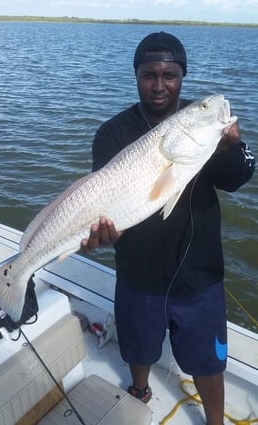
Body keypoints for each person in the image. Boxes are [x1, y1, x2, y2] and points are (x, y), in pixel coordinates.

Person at [80, 32, 255, 425]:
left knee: (208, 362)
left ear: (182, 76)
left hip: (199, 273)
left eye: (170, 75)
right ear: (136, 76)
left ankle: (214, 421)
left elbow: (238, 177)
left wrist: (229, 147)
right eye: (149, 74)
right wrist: (105, 233)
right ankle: (139, 388)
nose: (160, 85)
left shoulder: (202, 122)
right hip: (138, 272)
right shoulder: (112, 133)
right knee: (138, 346)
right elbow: (106, 210)